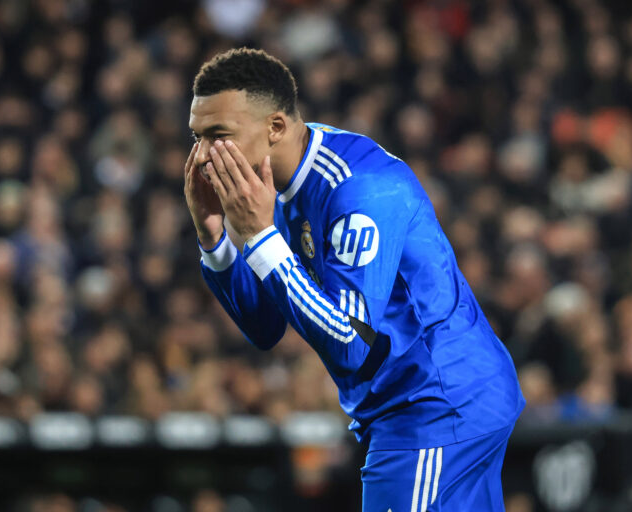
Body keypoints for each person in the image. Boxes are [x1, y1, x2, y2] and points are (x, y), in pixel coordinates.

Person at [183, 48, 525, 511]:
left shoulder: (358, 190)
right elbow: (266, 328)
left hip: (436, 405)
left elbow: (351, 343)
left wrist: (263, 239)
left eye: (218, 135)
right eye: (196, 137)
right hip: (424, 404)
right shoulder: (275, 183)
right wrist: (215, 240)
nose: (203, 156)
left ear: (275, 128)